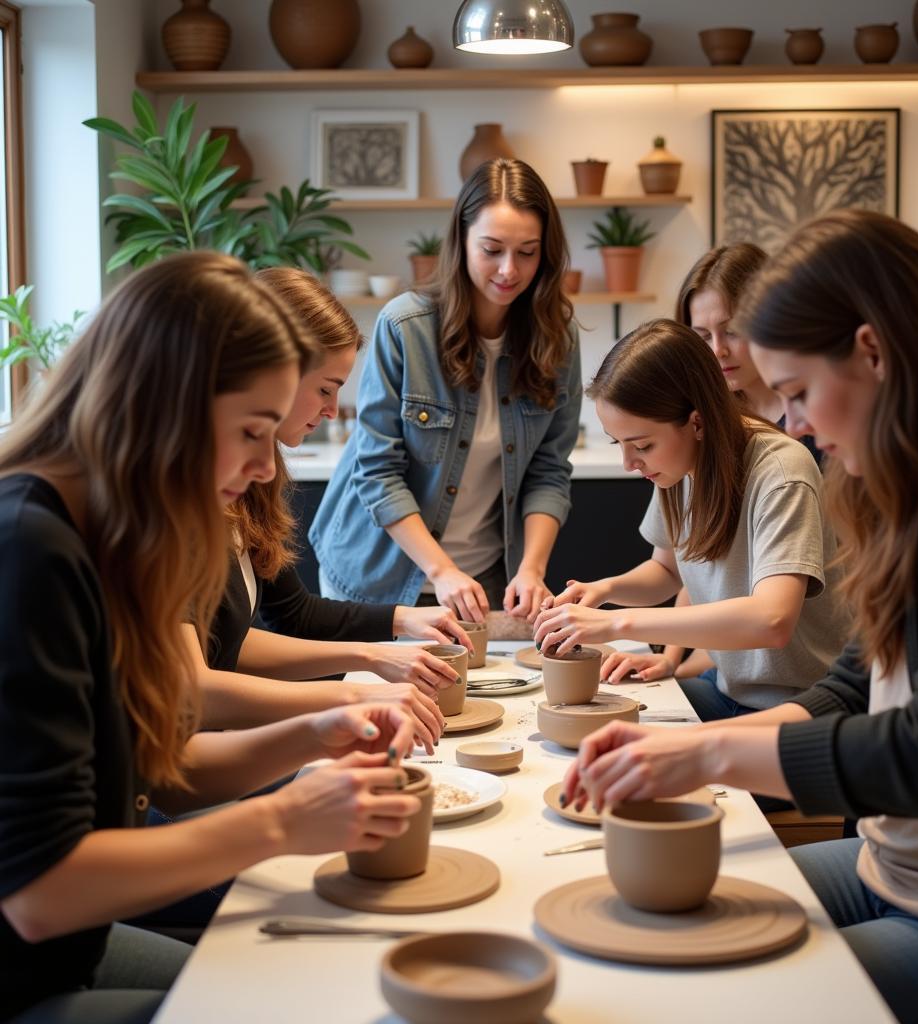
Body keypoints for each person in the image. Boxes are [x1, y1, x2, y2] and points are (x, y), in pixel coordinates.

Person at [559, 210, 918, 1024]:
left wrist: (707, 756)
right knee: (654, 926)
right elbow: (853, 683)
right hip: (887, 865)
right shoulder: (911, 474)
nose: (796, 423)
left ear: (873, 352)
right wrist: (695, 744)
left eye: (800, 393)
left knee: (716, 996)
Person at [0, 252, 421, 1024]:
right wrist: (284, 821)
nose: (266, 467)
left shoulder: (104, 537)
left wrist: (318, 730)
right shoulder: (29, 548)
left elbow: (164, 772)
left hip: (69, 948)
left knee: (300, 983)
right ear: (172, 409)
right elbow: (40, 890)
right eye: (252, 432)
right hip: (28, 969)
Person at [191, 268, 471, 741]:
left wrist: (388, 636)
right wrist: (362, 690)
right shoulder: (183, 499)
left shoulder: (252, 476)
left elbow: (263, 628)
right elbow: (196, 691)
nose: (331, 410)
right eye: (325, 389)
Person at [534, 317, 848, 725]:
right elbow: (666, 571)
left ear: (696, 422)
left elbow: (772, 620)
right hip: (727, 689)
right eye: (620, 444)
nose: (629, 463)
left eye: (642, 445)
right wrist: (604, 590)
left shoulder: (781, 471)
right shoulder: (678, 468)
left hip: (803, 708)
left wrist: (613, 622)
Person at [310, 158, 582, 624]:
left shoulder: (557, 337)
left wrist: (532, 570)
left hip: (482, 579)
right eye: (492, 249)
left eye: (528, 252)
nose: (509, 270)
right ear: (460, 240)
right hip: (378, 575)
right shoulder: (405, 326)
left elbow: (549, 470)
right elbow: (376, 470)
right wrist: (442, 571)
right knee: (379, 696)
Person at [659, 243, 825, 685]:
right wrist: (672, 660)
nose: (718, 351)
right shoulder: (704, 429)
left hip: (804, 671)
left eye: (732, 331)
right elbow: (704, 565)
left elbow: (773, 613)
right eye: (700, 336)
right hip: (740, 666)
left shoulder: (813, 438)